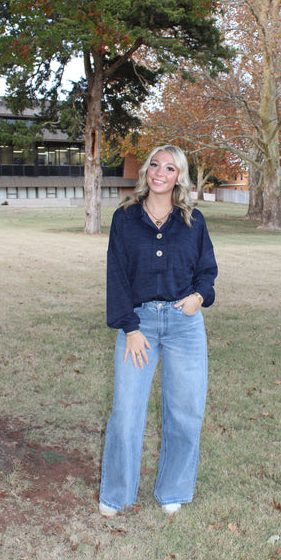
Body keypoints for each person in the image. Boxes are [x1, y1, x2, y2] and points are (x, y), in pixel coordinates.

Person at [99, 145, 218, 516]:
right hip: (140, 326)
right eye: (155, 165)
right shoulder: (125, 219)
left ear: (178, 177)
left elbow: (207, 270)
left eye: (169, 168)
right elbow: (116, 276)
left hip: (184, 325)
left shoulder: (193, 221)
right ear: (146, 172)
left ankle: (173, 490)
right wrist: (130, 327)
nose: (159, 172)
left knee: (185, 411)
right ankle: (116, 494)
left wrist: (200, 296)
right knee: (126, 412)